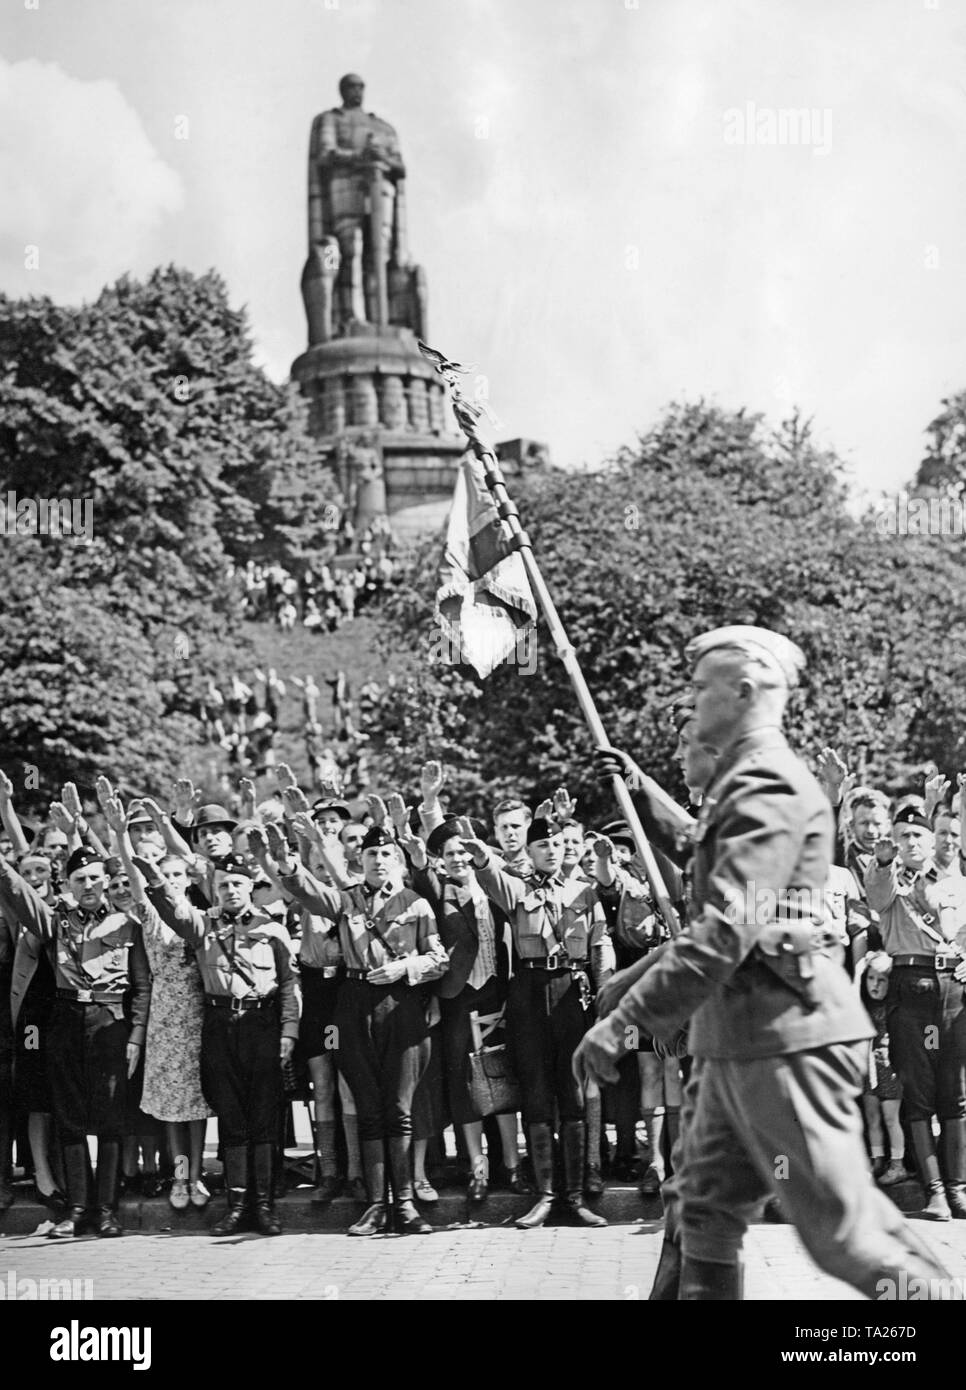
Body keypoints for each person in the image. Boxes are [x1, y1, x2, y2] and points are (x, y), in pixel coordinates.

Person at [574, 623, 958, 1300]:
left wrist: (625, 1016)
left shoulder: (772, 788)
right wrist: (638, 792)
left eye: (701, 688)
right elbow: (701, 848)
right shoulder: (743, 786)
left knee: (843, 1236)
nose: (691, 703)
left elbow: (730, 927)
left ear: (745, 691)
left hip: (788, 1042)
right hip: (737, 1043)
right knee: (702, 1216)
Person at [273, 824, 448, 1236]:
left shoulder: (417, 904)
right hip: (352, 1002)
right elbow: (311, 894)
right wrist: (287, 865)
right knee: (368, 1107)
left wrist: (405, 968)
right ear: (361, 861)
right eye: (371, 855)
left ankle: (404, 1204)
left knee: (400, 1108)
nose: (378, 861)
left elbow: (439, 960)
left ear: (398, 862)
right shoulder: (347, 899)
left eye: (386, 854)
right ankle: (374, 1206)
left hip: (401, 1005)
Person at [135, 850, 299, 1237]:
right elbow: (173, 912)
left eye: (237, 883)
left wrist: (289, 1031)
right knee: (231, 1119)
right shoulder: (203, 925)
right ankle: (237, 1206)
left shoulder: (272, 929)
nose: (229, 890)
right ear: (213, 888)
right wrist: (153, 878)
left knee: (263, 1118)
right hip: (219, 1024)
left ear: (250, 888)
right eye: (222, 884)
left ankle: (263, 1206)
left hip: (262, 1024)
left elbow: (291, 983)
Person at [462, 817, 613, 1229]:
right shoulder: (518, 889)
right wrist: (480, 856)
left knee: (574, 1093)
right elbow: (491, 877)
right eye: (541, 844)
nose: (550, 850)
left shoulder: (585, 892)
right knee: (536, 1090)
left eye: (555, 844)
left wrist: (605, 1001)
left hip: (572, 992)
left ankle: (576, 1197)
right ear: (528, 852)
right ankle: (546, 1196)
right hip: (528, 991)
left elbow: (600, 946)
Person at [0, 844, 149, 1239]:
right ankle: (77, 1208)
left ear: (105, 881)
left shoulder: (125, 924)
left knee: (111, 1118)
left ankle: (106, 1210)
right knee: (70, 1119)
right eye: (79, 879)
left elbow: (143, 986)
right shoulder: (55, 920)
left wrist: (135, 1035)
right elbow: (18, 895)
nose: (88, 885)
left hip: (110, 1023)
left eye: (95, 878)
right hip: (65, 1021)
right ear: (66, 883)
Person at [401, 817, 528, 1204]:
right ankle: (478, 1167)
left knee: (503, 1079)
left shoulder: (494, 884)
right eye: (450, 854)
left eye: (463, 851)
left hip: (496, 992)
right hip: (459, 997)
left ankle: (513, 1164)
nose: (458, 859)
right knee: (465, 1085)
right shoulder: (441, 892)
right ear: (441, 859)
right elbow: (423, 877)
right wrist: (422, 858)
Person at [864, 803, 966, 1220]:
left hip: (952, 990)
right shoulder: (888, 880)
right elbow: (875, 894)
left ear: (933, 842)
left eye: (918, 835)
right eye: (903, 836)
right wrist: (885, 861)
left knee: (955, 1094)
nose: (911, 842)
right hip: (910, 989)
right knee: (919, 1095)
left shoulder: (955, 885)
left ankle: (959, 1187)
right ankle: (935, 1190)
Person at [855, 952, 906, 1187]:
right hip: (868, 1068)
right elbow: (850, 999)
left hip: (889, 1066)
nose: (875, 985)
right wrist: (858, 972)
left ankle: (898, 1164)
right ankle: (877, 1160)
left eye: (881, 980)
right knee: (872, 1116)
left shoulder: (893, 1005)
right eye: (871, 979)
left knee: (890, 1117)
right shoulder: (864, 1004)